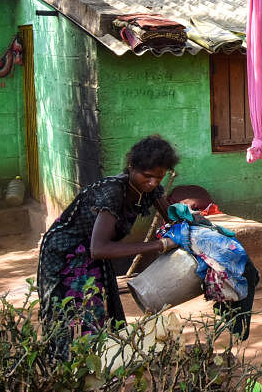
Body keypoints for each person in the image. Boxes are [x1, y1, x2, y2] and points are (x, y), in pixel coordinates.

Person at [37, 135, 178, 352]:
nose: (152, 183)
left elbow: (173, 219)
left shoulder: (150, 190)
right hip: (66, 253)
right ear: (131, 167)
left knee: (101, 308)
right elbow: (100, 248)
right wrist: (159, 245)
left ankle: (103, 360)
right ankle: (74, 366)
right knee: (77, 312)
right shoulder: (113, 192)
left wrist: (197, 228)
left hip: (90, 251)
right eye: (147, 176)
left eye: (159, 178)